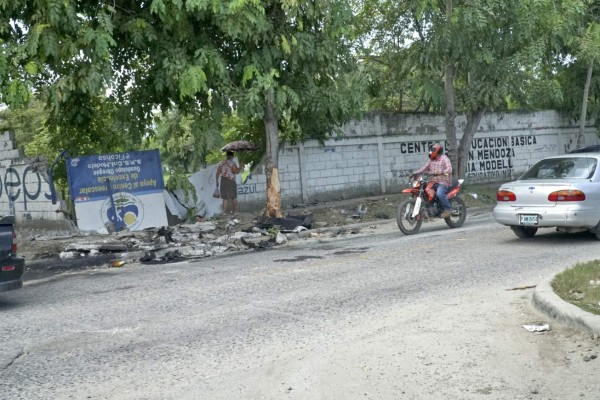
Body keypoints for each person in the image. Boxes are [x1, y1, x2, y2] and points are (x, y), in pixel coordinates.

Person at [411, 143, 453, 218]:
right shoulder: (431, 160)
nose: (431, 152)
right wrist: (415, 173)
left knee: (440, 194)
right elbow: (424, 168)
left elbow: (449, 169)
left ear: (437, 151)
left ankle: (448, 209)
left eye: (432, 150)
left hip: (443, 182)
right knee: (424, 192)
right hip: (432, 182)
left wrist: (442, 172)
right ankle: (429, 209)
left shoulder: (444, 158)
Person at [215, 151, 244, 215]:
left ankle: (224, 212)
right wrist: (241, 166)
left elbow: (217, 173)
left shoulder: (221, 163)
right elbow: (236, 172)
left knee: (225, 197)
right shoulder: (232, 163)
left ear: (227, 155)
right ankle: (235, 211)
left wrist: (217, 181)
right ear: (232, 156)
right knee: (233, 196)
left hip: (223, 181)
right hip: (231, 181)